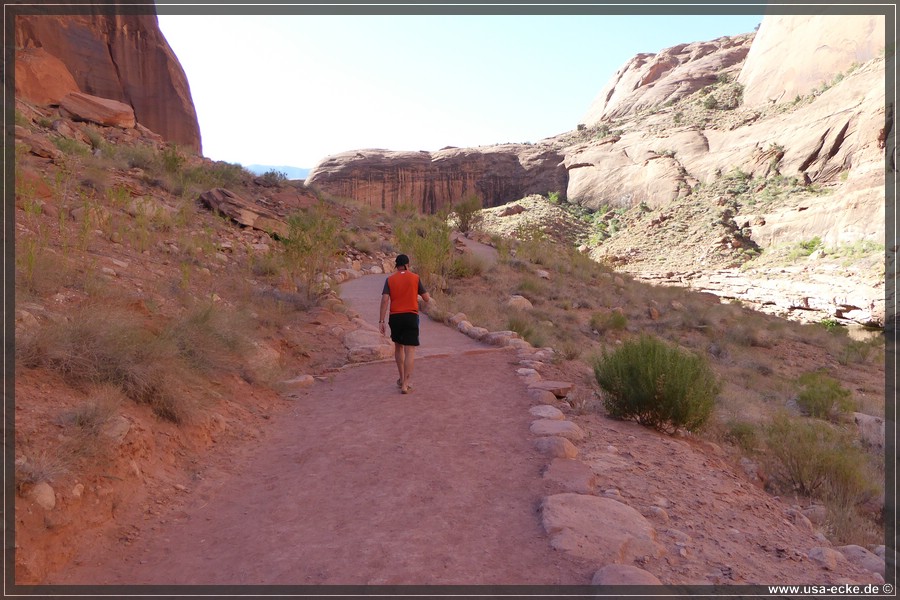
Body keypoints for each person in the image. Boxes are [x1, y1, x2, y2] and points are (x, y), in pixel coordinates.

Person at [379, 254, 432, 394]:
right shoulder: (415, 278)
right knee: (410, 350)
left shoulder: (389, 280)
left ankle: (401, 379)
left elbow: (385, 300)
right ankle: (405, 385)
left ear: (397, 266)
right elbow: (426, 299)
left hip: (395, 317)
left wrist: (381, 320)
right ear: (408, 265)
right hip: (411, 316)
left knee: (398, 347)